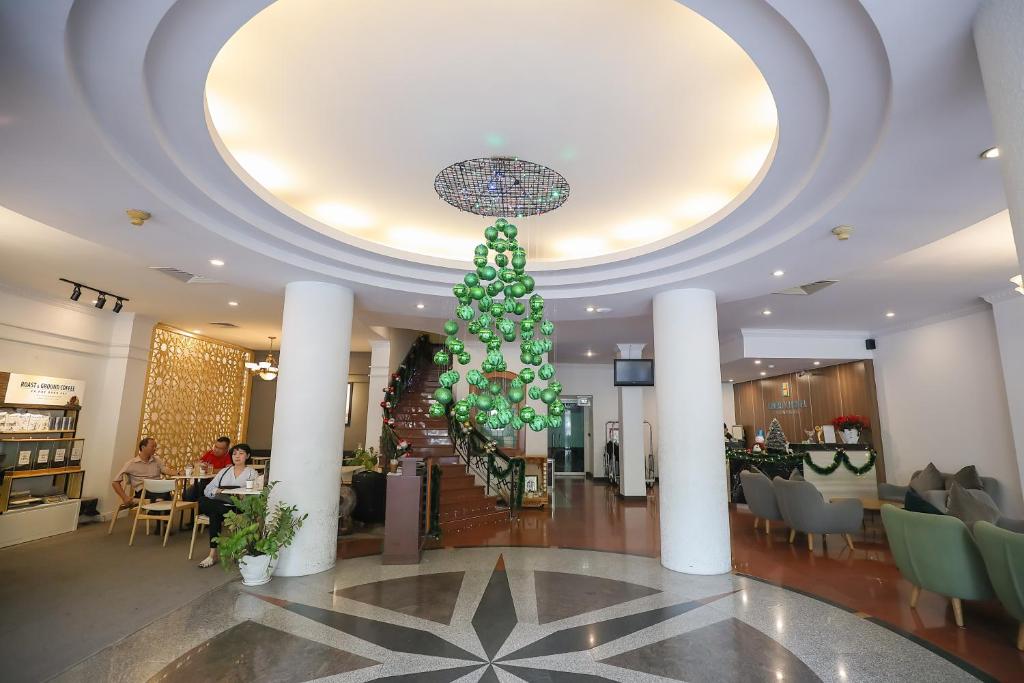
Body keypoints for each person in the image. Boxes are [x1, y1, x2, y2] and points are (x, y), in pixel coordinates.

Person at [198, 443, 258, 568]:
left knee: (214, 513)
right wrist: (216, 491)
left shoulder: (252, 473)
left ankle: (212, 554)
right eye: (234, 453)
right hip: (221, 503)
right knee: (203, 500)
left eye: (241, 453)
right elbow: (208, 489)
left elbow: (255, 495)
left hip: (237, 507)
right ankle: (213, 554)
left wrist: (243, 495)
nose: (237, 456)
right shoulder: (224, 471)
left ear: (247, 456)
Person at [111, 437, 176, 507]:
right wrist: (124, 497)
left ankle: (156, 514)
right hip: (143, 490)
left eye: (155, 447)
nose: (155, 449)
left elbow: (165, 470)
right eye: (152, 446)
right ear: (143, 447)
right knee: (163, 496)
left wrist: (178, 473)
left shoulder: (157, 460)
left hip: (158, 488)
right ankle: (155, 513)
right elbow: (115, 482)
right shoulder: (131, 463)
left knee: (166, 493)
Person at [183, 436, 231, 502]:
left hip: (218, 484)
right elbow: (198, 462)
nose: (216, 450)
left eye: (220, 448)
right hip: (204, 481)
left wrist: (212, 470)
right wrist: (199, 465)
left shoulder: (230, 457)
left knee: (198, 494)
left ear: (226, 449)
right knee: (187, 494)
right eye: (216, 447)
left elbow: (228, 470)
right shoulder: (210, 453)